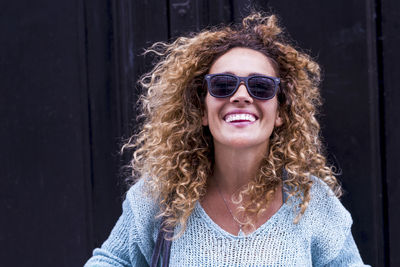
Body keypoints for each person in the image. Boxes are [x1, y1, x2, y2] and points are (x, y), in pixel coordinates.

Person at [85, 12, 368, 266]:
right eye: (222, 85)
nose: (241, 96)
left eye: (260, 87)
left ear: (281, 111)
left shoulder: (311, 201)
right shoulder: (160, 198)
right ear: (203, 110)